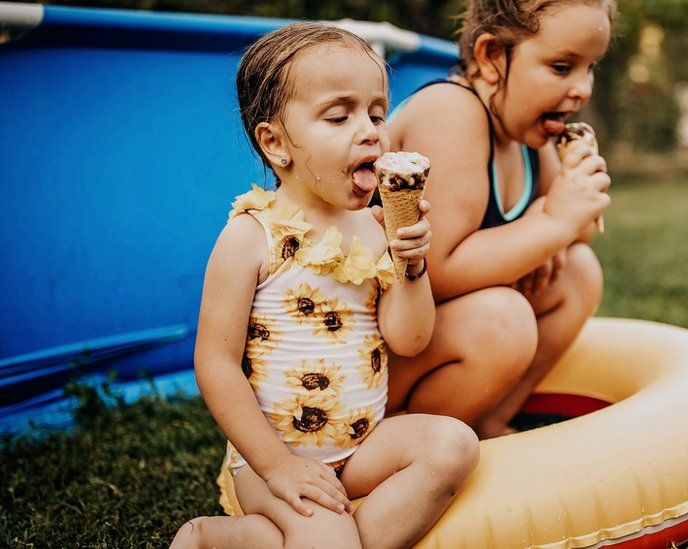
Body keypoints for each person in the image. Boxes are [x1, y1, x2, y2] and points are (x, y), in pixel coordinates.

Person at [170, 23, 479, 548]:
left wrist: (412, 265)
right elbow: (215, 363)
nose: (370, 131)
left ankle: (272, 542)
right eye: (339, 116)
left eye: (377, 113)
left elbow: (409, 340)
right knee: (329, 538)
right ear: (275, 143)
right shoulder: (250, 237)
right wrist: (278, 466)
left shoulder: (378, 230)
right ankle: (211, 537)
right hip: (276, 454)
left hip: (361, 445)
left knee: (454, 444)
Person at [386, 0, 615, 438]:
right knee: (500, 320)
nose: (583, 88)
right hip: (363, 355)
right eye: (562, 67)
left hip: (421, 341)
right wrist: (549, 225)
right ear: (493, 57)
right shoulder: (451, 111)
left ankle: (490, 415)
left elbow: (581, 228)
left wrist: (553, 215)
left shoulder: (523, 131)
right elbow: (437, 268)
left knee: (579, 273)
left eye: (591, 68)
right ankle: (407, 438)